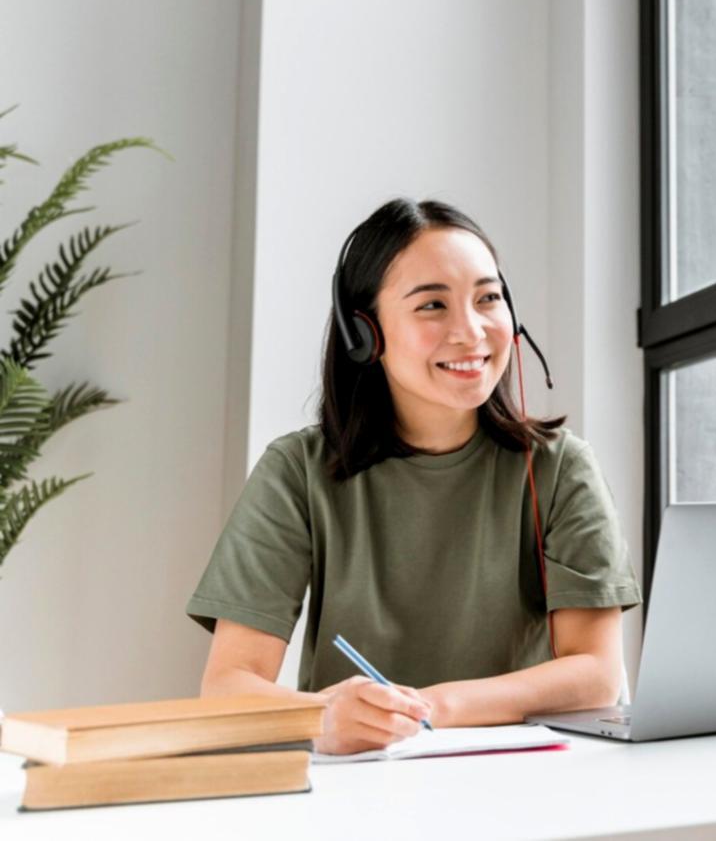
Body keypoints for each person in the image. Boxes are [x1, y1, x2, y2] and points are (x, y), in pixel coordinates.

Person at [188, 198, 640, 755]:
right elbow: (226, 687)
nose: (471, 331)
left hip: (522, 784)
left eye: (488, 298)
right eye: (432, 305)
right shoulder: (296, 472)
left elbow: (595, 673)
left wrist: (430, 708)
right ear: (365, 334)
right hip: (358, 782)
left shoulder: (559, 466)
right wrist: (321, 715)